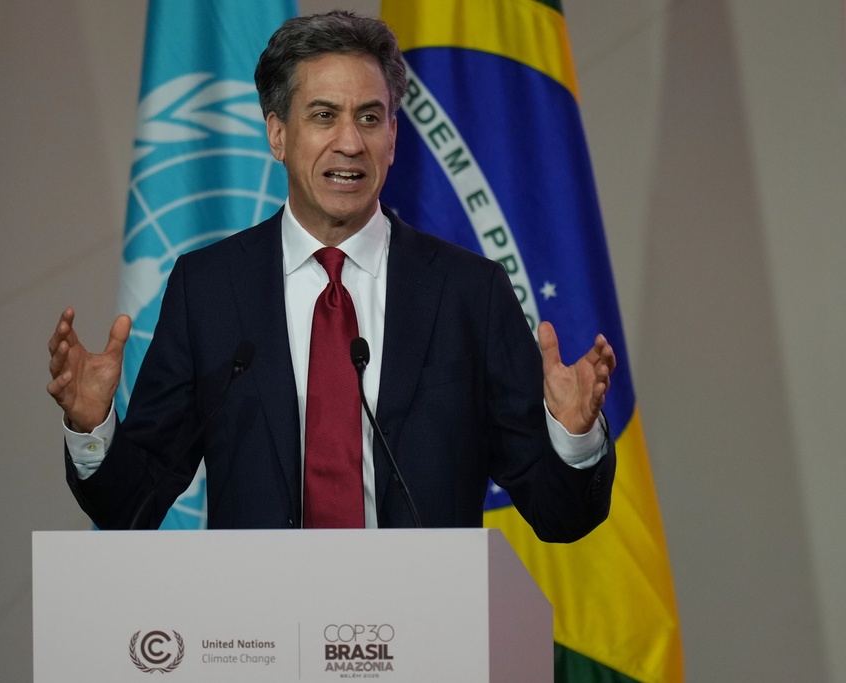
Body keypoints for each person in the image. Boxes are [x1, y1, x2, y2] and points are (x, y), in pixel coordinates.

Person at [47, 10, 616, 537]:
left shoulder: (470, 292)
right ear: (277, 133)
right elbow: (131, 506)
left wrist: (573, 436)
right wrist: (94, 426)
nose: (350, 143)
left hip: (424, 628)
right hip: (256, 633)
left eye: (371, 118)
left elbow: (558, 514)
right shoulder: (210, 290)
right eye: (323, 116)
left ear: (393, 138)